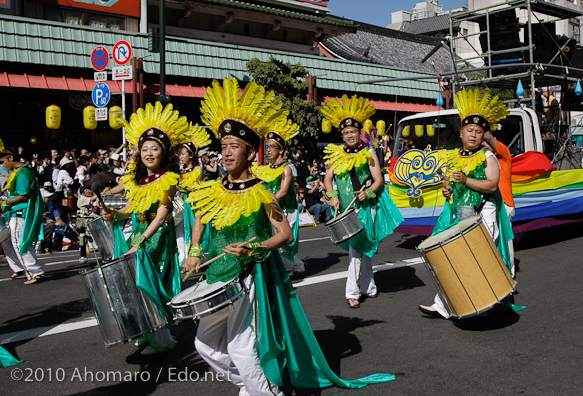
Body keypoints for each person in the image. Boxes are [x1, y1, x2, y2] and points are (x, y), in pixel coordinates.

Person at [186, 79, 395, 394]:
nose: (226, 153)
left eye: (234, 146)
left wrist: (254, 247)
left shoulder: (262, 193)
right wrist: (194, 249)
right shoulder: (211, 189)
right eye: (224, 146)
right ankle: (252, 383)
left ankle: (266, 391)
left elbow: (283, 233)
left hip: (247, 277)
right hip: (216, 277)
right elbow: (200, 218)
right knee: (204, 345)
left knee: (242, 348)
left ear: (248, 152)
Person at [418, 89, 519, 318]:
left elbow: (492, 185)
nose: (473, 135)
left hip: (485, 213)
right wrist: (447, 190)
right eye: (470, 130)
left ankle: (493, 300)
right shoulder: (454, 156)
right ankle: (444, 304)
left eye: (478, 131)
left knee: (483, 258)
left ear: (483, 135)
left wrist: (467, 180)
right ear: (461, 132)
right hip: (460, 214)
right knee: (456, 257)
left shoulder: (487, 156)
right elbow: (449, 185)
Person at [101, 102, 190, 355]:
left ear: (164, 154)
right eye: (145, 149)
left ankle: (161, 338)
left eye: (155, 149)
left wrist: (141, 241)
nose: (149, 153)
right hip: (141, 235)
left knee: (150, 285)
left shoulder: (168, 179)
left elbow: (162, 216)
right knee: (136, 285)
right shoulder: (138, 181)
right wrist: (112, 215)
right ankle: (146, 330)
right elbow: (130, 209)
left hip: (157, 238)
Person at [321, 94, 404, 308]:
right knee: (356, 249)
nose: (350, 135)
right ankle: (359, 290)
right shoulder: (336, 155)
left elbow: (378, 182)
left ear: (359, 133)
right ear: (342, 134)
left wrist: (367, 194)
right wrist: (332, 198)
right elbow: (328, 179)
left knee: (362, 247)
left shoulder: (369, 153)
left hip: (365, 207)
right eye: (346, 132)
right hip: (345, 211)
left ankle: (364, 287)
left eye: (353, 132)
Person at [252, 118, 306, 278]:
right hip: (273, 208)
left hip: (286, 210)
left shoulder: (287, 168)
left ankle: (292, 267)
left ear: (281, 150)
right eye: (267, 147)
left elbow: (282, 192)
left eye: (272, 147)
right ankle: (296, 266)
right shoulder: (265, 169)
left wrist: (266, 203)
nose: (268, 150)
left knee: (284, 243)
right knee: (274, 242)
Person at [0, 142, 46, 284]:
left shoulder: (22, 174)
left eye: (3, 162)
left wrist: (5, 202)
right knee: (20, 242)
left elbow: (24, 195)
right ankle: (35, 271)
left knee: (20, 243)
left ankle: (34, 273)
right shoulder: (21, 172)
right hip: (19, 213)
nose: (2, 165)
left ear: (10, 158)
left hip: (20, 212)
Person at [175, 123, 212, 265]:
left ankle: (196, 254)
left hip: (193, 203)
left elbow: (195, 187)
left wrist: (183, 188)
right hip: (182, 203)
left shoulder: (197, 170)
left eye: (183, 154)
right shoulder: (181, 170)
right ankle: (184, 256)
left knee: (192, 229)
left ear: (191, 155)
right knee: (183, 230)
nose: (181, 156)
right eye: (180, 153)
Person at [482, 129, 516, 277]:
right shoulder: (483, 161)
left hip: (504, 205)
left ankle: (509, 276)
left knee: (505, 243)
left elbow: (488, 136)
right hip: (489, 206)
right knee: (490, 244)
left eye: (486, 142)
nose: (483, 144)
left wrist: (477, 125)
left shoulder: (504, 155)